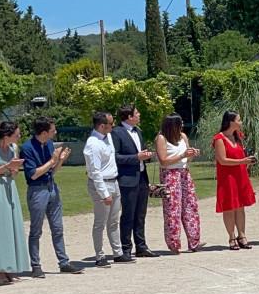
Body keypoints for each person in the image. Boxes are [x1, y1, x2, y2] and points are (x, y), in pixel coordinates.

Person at [21, 117, 81, 277]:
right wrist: (53, 160)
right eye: (53, 129)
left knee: (58, 228)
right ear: (44, 132)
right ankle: (36, 265)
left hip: (51, 187)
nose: (55, 132)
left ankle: (63, 262)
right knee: (36, 230)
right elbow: (33, 174)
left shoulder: (48, 144)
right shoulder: (27, 148)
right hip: (37, 190)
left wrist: (59, 161)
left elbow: (51, 171)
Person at [0, 121, 30, 285]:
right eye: (16, 134)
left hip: (10, 186)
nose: (19, 136)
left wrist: (14, 169)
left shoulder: (13, 148)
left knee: (13, 226)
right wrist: (6, 167)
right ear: (7, 134)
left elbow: (14, 173)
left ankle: (11, 267)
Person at [112, 104, 158, 259]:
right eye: (137, 113)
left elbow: (141, 151)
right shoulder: (116, 133)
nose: (139, 115)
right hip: (127, 179)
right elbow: (116, 157)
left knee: (140, 214)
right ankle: (125, 248)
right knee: (128, 215)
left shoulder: (138, 131)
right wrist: (136, 157)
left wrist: (147, 155)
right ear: (129, 117)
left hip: (141, 177)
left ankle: (141, 246)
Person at [156, 114, 203, 254]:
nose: (182, 126)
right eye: (179, 123)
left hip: (184, 173)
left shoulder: (183, 136)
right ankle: (174, 243)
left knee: (190, 206)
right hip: (170, 175)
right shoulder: (161, 138)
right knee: (173, 210)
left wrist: (191, 155)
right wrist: (182, 155)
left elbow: (187, 159)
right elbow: (163, 161)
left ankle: (194, 241)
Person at [84, 111, 125, 266]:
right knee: (100, 221)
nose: (113, 126)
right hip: (101, 184)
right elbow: (94, 171)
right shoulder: (93, 144)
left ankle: (118, 252)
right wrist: (104, 193)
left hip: (113, 181)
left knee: (114, 220)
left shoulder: (107, 138)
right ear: (102, 126)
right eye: (110, 124)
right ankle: (99, 255)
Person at [212, 111, 257, 250]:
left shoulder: (238, 136)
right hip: (227, 177)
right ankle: (231, 236)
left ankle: (242, 235)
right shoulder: (219, 138)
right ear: (231, 122)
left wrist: (247, 162)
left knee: (240, 206)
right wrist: (242, 161)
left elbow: (240, 156)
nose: (241, 122)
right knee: (229, 207)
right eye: (239, 120)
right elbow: (222, 160)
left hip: (240, 175)